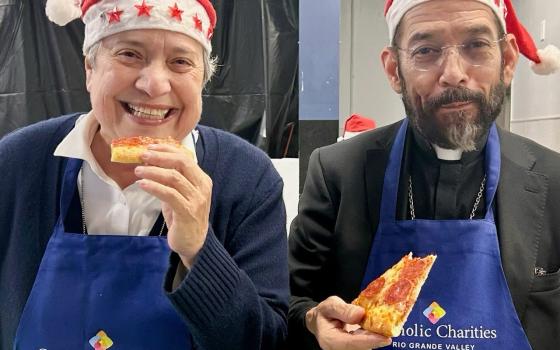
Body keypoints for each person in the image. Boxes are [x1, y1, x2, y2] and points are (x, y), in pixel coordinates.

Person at [0, 0, 289, 349]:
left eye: (180, 62)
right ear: (90, 67)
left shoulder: (248, 178)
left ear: (202, 80)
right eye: (129, 54)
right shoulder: (15, 163)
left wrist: (199, 250)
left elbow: (265, 341)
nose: (154, 84)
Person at [288, 0, 560, 349]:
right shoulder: (338, 173)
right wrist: (313, 321)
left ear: (507, 60)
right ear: (393, 70)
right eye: (426, 50)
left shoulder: (553, 181)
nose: (453, 73)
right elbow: (290, 304)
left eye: (476, 45)